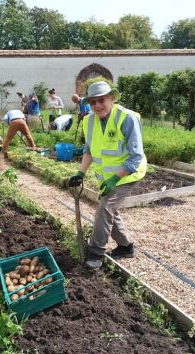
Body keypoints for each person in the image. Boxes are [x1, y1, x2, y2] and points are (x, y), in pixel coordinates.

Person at [67, 81, 147, 270]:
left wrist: (115, 178)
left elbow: (136, 157)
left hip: (128, 174)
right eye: (93, 102)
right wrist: (80, 172)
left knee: (104, 208)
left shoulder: (126, 118)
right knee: (110, 209)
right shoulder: (89, 121)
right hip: (108, 177)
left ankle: (96, 252)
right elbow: (89, 150)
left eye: (101, 100)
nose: (97, 106)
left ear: (112, 98)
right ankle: (126, 246)